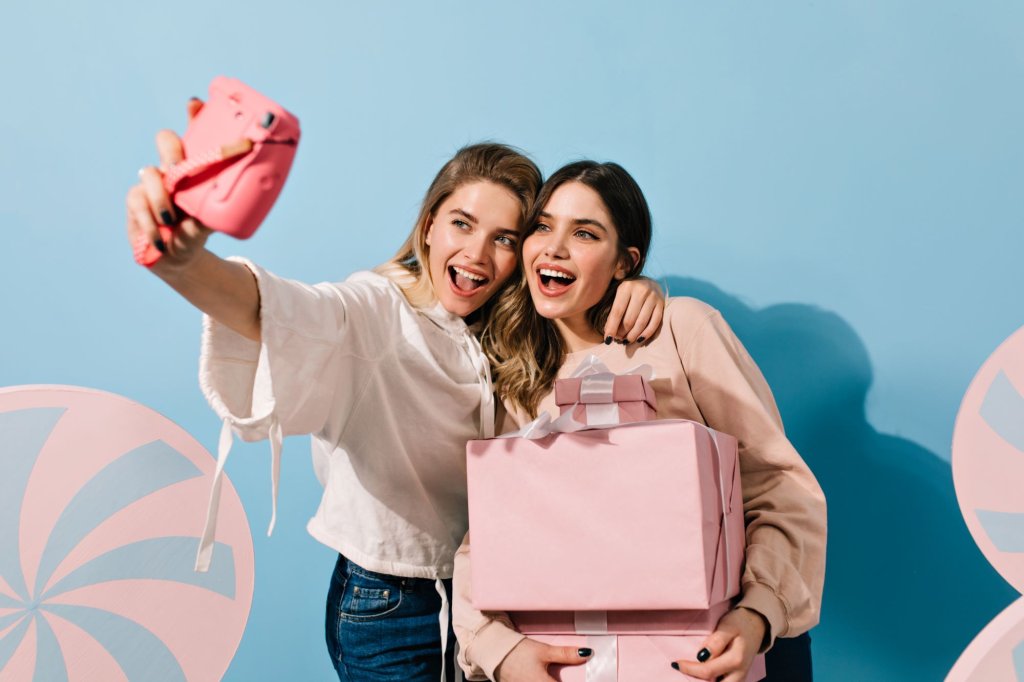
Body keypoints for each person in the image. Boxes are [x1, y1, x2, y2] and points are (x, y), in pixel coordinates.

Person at [124, 104, 667, 682]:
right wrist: (184, 263)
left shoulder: (509, 332)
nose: (477, 255)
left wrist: (639, 291)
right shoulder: (380, 311)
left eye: (504, 238)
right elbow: (291, 311)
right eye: (461, 223)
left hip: (491, 604)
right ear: (429, 224)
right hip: (390, 604)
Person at [453, 161, 827, 682]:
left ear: (625, 261)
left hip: (724, 650)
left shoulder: (681, 330)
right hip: (585, 663)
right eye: (542, 226)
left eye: (584, 233)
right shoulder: (517, 380)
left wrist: (755, 616)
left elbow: (779, 488)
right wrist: (496, 646)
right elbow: (487, 535)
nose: (554, 247)